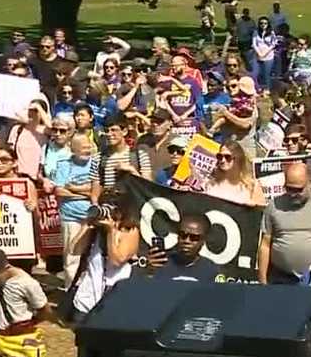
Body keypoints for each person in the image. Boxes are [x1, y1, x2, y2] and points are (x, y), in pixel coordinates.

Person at [258, 162, 311, 284]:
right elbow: (265, 245)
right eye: (289, 188)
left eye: (298, 190)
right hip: (281, 278)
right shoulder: (274, 205)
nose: (293, 194)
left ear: (310, 184)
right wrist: (263, 280)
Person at [65, 189, 141, 324]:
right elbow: (75, 250)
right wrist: (87, 225)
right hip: (86, 300)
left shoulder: (130, 230)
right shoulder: (95, 228)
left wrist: (111, 232)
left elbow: (117, 260)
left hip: (115, 300)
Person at [51, 133, 95, 288]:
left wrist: (75, 189)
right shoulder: (64, 164)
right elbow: (59, 191)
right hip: (71, 217)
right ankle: (72, 290)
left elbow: (96, 190)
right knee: (72, 255)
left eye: (89, 146)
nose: (87, 150)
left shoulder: (96, 164)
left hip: (92, 217)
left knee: (93, 256)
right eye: (83, 148)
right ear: (73, 149)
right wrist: (86, 193)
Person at [0, 248, 54, 332]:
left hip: (21, 332)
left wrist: (30, 324)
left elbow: (45, 310)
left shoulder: (26, 283)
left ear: (5, 268)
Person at [90, 114, 151, 204]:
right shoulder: (98, 158)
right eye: (107, 130)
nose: (109, 134)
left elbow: (148, 188)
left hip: (133, 205)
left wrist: (132, 171)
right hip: (109, 205)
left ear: (124, 131)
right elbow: (95, 192)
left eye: (114, 130)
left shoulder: (139, 156)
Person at [145, 213, 221, 282]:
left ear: (203, 240)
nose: (187, 241)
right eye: (183, 235)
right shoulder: (160, 263)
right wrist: (149, 273)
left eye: (194, 237)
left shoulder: (210, 270)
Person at [203, 139, 265, 206]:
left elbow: (260, 211)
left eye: (227, 157)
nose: (222, 160)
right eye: (220, 157)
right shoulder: (210, 184)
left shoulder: (252, 186)